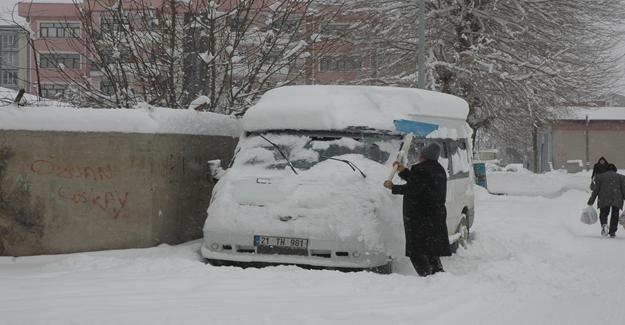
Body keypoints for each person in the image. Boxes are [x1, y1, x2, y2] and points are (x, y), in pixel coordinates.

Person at [383, 142, 451, 276]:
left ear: (424, 155)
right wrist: (402, 171)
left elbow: (414, 188)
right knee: (430, 249)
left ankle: (426, 276)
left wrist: (393, 187)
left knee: (416, 251)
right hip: (434, 216)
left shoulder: (421, 169)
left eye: (422, 153)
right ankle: (437, 274)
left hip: (420, 217)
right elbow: (419, 183)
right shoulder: (439, 169)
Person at [587, 163, 625, 238]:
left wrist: (591, 201)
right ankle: (612, 231)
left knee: (604, 213)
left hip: (604, 197)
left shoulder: (600, 177)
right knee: (615, 214)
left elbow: (596, 190)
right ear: (615, 170)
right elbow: (624, 190)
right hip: (617, 198)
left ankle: (604, 224)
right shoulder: (621, 177)